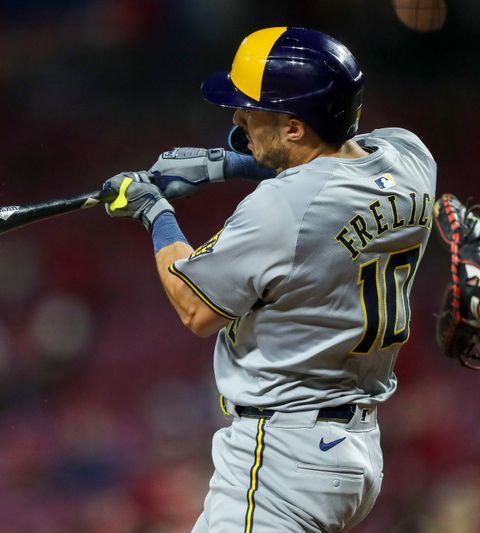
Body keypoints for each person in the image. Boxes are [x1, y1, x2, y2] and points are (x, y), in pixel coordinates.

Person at [101, 27, 437, 532]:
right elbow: (341, 168)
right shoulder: (412, 160)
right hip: (354, 452)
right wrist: (230, 164)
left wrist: (155, 211)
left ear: (296, 127)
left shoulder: (280, 208)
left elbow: (195, 308)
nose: (237, 117)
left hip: (283, 457)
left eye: (251, 107)